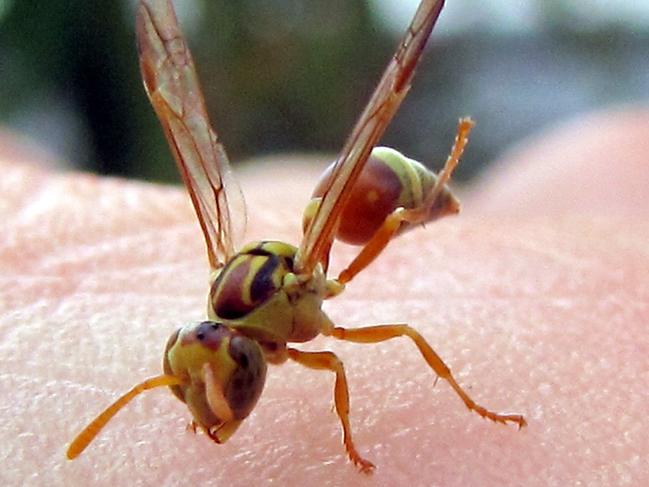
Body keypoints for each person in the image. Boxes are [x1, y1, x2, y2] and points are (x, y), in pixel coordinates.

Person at [1, 107, 648, 485]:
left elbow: (338, 352)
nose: (212, 399)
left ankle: (442, 178)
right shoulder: (240, 309)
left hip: (379, 191)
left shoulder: (291, 293)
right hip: (336, 200)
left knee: (391, 247)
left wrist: (348, 439)